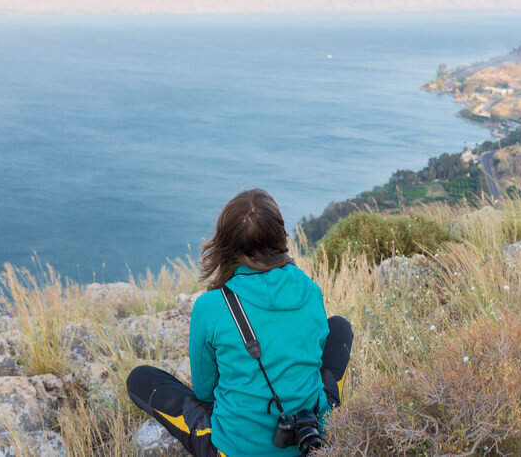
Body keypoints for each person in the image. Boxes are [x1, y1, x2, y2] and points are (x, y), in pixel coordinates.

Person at [126, 188, 353, 457]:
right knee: (339, 327)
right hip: (310, 438)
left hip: (235, 449)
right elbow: (312, 355)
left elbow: (205, 391)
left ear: (226, 245)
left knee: (140, 378)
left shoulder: (210, 307)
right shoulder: (310, 289)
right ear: (280, 236)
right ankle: (330, 416)